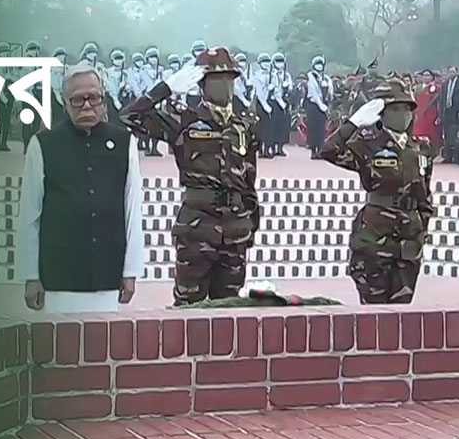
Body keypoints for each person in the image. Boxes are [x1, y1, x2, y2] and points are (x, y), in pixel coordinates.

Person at [122, 47, 260, 306]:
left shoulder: (245, 123)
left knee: (230, 309)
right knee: (189, 310)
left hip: (235, 229)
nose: (224, 85)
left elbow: (249, 178)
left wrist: (251, 224)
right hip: (197, 228)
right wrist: (166, 88)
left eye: (228, 79)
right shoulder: (184, 119)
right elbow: (129, 117)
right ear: (201, 85)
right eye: (215, 79)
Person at [19, 63, 144, 314]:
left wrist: (130, 271)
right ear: (65, 102)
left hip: (108, 273)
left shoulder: (124, 142)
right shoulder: (43, 144)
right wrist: (31, 276)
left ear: (103, 100)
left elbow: (132, 210)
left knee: (106, 338)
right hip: (59, 275)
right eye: (77, 100)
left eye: (94, 98)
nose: (87, 106)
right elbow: (29, 214)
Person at [321, 79, 435, 304]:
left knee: (401, 309)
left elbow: (424, 194)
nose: (403, 115)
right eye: (395, 109)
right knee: (373, 308)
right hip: (375, 235)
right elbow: (329, 150)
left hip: (408, 239)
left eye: (407, 109)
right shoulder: (368, 144)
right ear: (382, 113)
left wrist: (421, 229)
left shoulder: (421, 147)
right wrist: (353, 123)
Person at [305, 54, 332, 159]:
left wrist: (328, 91)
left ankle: (320, 149)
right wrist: (320, 105)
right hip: (313, 105)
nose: (319, 66)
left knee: (321, 129)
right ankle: (313, 150)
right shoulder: (310, 77)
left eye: (321, 64)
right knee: (313, 128)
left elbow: (330, 93)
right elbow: (313, 93)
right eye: (317, 64)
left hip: (324, 105)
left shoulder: (326, 78)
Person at [251, 53, 274, 158]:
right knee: (261, 128)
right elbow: (259, 93)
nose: (266, 64)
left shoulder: (273, 75)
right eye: (264, 62)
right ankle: (260, 149)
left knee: (270, 128)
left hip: (271, 102)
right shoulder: (257, 76)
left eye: (268, 62)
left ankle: (268, 148)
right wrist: (265, 106)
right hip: (261, 104)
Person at [412, 70, 442, 146]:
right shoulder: (417, 88)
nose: (426, 77)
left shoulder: (436, 88)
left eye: (428, 75)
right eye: (424, 75)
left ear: (432, 77)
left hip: (430, 114)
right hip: (419, 114)